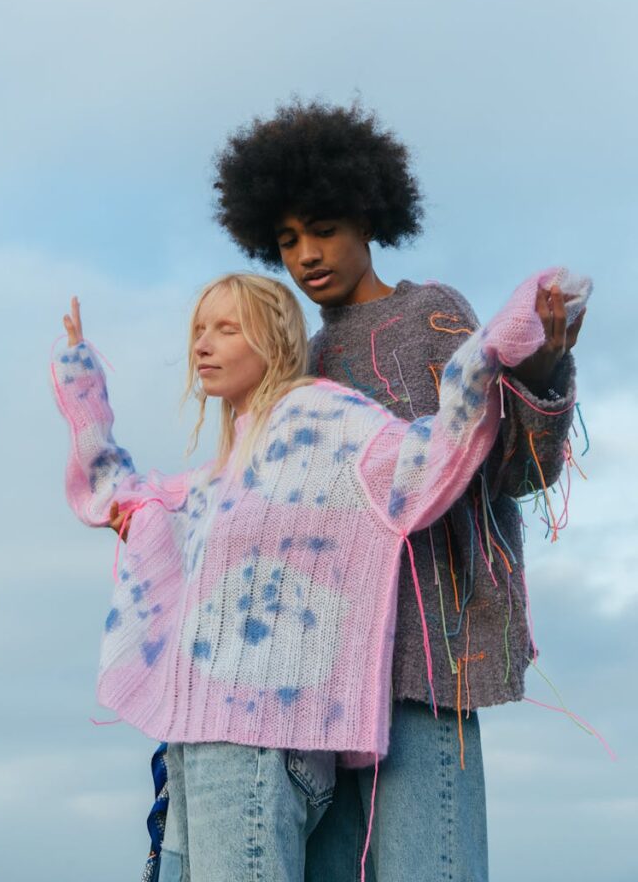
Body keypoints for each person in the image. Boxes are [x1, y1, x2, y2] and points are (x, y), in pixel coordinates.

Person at [54, 261, 588, 882]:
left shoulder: (324, 420)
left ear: (276, 340)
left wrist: (501, 343)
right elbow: (122, 496)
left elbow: (431, 453)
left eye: (226, 328)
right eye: (199, 328)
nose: (202, 343)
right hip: (194, 747)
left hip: (258, 746)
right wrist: (82, 387)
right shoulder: (220, 477)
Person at [209, 99, 587, 882]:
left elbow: (515, 470)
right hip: (317, 679)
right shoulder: (297, 365)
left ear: (368, 217)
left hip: (424, 653)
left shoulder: (431, 314)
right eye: (286, 241)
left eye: (323, 228)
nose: (307, 253)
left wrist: (544, 371)